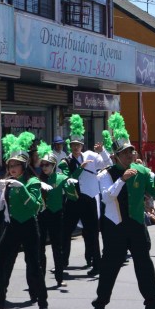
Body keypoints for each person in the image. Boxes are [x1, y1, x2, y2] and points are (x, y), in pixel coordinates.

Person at [92, 117, 155, 309]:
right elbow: (107, 197)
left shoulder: (141, 170)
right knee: (109, 266)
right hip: (115, 225)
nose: (129, 155)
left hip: (137, 224)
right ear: (116, 156)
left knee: (144, 264)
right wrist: (122, 180)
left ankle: (151, 302)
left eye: (130, 151)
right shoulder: (106, 174)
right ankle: (101, 302)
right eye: (124, 153)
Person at [0, 132, 47, 309]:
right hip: (12, 226)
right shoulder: (8, 182)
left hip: (28, 226)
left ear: (23, 166)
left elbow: (35, 207)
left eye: (16, 165)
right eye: (10, 165)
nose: (12, 168)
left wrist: (21, 190)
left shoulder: (33, 181)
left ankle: (43, 302)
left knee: (34, 265)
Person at [60, 115, 111, 276]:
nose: (76, 148)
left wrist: (102, 151)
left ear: (82, 145)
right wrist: (80, 168)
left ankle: (97, 264)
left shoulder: (90, 155)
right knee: (65, 232)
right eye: (74, 145)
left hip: (88, 198)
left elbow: (107, 163)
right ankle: (62, 263)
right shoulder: (65, 161)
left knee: (93, 233)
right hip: (73, 200)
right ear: (70, 146)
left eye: (78, 145)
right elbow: (68, 179)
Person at [37, 142, 77, 288]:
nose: (45, 167)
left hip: (56, 215)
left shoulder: (61, 178)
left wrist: (70, 185)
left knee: (57, 247)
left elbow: (73, 196)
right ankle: (40, 277)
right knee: (40, 247)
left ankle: (59, 278)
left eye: (47, 165)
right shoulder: (38, 180)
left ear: (54, 165)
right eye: (43, 165)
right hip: (42, 215)